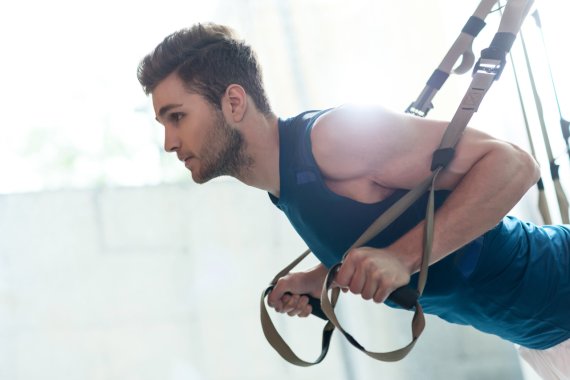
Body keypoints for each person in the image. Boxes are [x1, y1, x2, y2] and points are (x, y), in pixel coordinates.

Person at [137, 23, 570, 379]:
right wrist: (319, 276)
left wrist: (402, 259)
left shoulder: (332, 139)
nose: (169, 143)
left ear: (233, 102)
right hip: (543, 336)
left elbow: (514, 164)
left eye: (177, 117)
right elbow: (387, 221)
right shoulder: (282, 185)